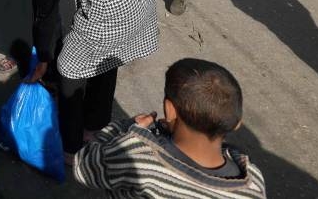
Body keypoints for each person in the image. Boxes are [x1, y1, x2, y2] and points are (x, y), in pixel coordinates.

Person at [23, 0, 159, 163]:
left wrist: (43, 59)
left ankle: (72, 145)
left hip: (116, 2)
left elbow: (45, 16)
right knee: (105, 58)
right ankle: (95, 123)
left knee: (69, 67)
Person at [74, 58, 266, 197]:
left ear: (169, 110)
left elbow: (83, 167)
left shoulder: (138, 154)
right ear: (237, 123)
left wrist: (127, 128)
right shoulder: (253, 183)